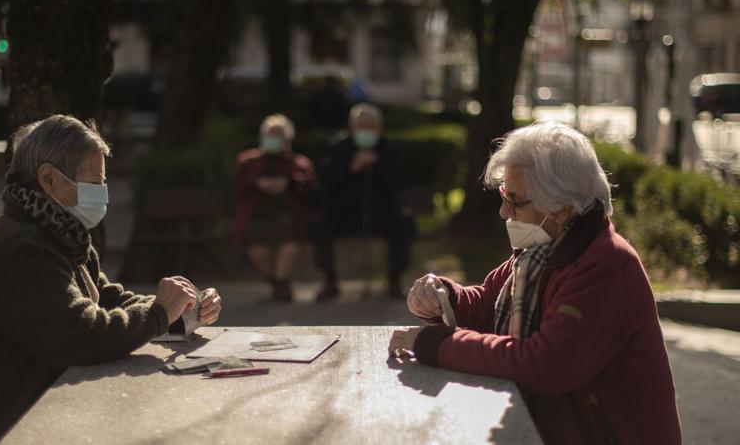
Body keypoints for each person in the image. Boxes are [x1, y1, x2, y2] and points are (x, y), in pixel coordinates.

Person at [389, 122, 681, 444]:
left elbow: (544, 365)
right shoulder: (545, 249)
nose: (503, 212)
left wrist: (436, 343)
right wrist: (446, 297)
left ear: (561, 208)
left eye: (515, 200)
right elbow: (489, 300)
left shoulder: (605, 266)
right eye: (504, 195)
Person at [0, 115, 223, 444]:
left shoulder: (58, 232)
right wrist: (159, 314)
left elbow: (104, 297)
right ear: (48, 178)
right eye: (94, 183)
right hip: (8, 430)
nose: (102, 194)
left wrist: (181, 312)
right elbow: (81, 334)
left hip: (42, 416)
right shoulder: (23, 250)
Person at [313, 103, 415, 301]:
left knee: (404, 224)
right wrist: (351, 167)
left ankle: (394, 280)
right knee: (320, 225)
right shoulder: (338, 148)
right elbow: (327, 182)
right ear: (352, 128)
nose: (366, 131)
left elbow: (398, 182)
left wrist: (378, 165)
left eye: (371, 126)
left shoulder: (389, 149)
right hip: (344, 212)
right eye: (362, 126)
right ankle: (329, 281)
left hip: (381, 213)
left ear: (379, 128)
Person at [231, 114, 317, 302]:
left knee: (293, 239)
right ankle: (280, 285)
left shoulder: (298, 163)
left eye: (278, 135)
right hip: (256, 217)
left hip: (289, 218)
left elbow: (309, 189)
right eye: (270, 135)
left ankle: (280, 285)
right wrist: (258, 184)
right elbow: (238, 187)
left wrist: (288, 183)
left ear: (288, 139)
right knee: (255, 244)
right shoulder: (248, 161)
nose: (273, 139)